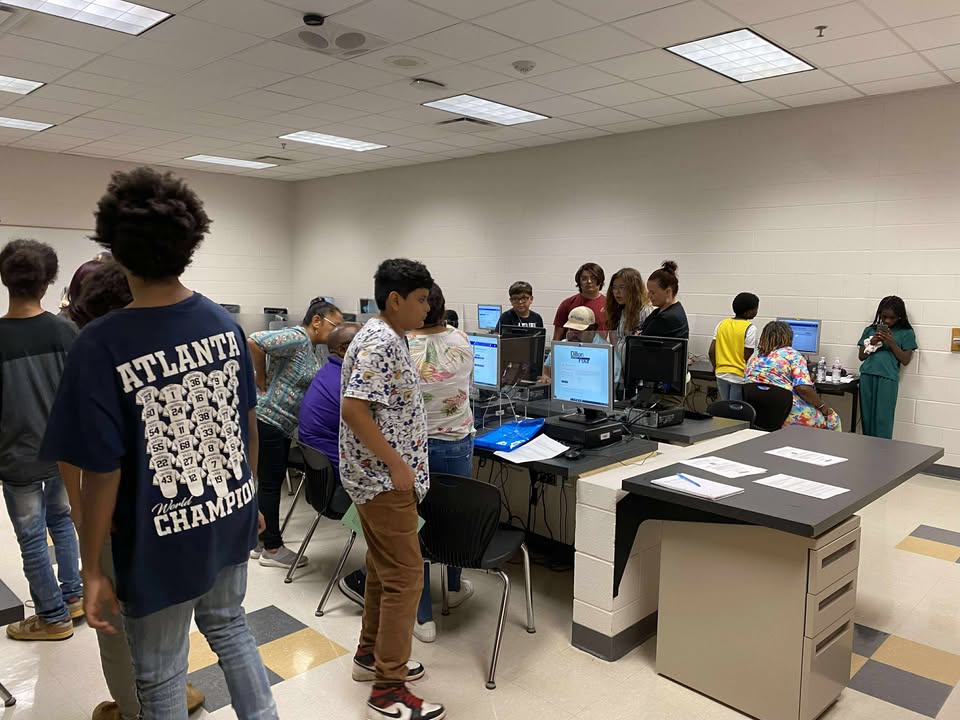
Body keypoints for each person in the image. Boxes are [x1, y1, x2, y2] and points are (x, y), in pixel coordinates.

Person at [40, 167, 278, 719]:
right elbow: (246, 424)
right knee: (232, 629)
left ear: (115, 251)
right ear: (190, 246)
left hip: (157, 539)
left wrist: (91, 569)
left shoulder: (101, 342)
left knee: (161, 672)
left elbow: (101, 471)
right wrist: (249, 497)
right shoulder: (223, 323)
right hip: (228, 511)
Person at [63, 261, 204, 720]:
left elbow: (73, 453)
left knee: (115, 621)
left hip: (121, 514)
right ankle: (166, 690)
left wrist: (81, 515)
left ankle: (132, 706)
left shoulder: (86, 352)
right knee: (165, 614)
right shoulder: (166, 342)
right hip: (173, 504)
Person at [339, 258, 444, 720]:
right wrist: (398, 464)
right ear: (395, 300)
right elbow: (354, 409)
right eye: (421, 299)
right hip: (383, 481)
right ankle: (388, 691)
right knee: (406, 578)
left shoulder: (390, 335)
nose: (428, 307)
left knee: (384, 573)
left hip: (378, 477)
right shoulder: (380, 342)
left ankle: (370, 656)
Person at [0, 239, 83, 642]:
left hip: (17, 458)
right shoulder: (66, 331)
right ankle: (73, 596)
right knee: (62, 521)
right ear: (48, 282)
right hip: (63, 455)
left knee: (32, 538)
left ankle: (52, 617)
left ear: (4, 280)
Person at [247, 299, 344, 568]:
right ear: (317, 321)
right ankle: (273, 548)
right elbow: (255, 341)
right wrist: (260, 376)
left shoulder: (311, 348)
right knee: (270, 484)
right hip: (270, 419)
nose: (337, 332)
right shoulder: (298, 337)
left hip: (280, 423)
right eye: (335, 325)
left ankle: (259, 541)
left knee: (267, 483)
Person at [408, 284, 476, 643]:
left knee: (416, 529)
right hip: (455, 444)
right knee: (454, 519)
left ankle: (422, 617)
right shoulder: (461, 340)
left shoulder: (401, 344)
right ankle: (453, 586)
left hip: (413, 449)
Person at [745, 321, 841, 431]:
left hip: (761, 414)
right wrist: (822, 407)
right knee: (833, 419)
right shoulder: (792, 355)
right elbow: (803, 389)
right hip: (788, 414)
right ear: (789, 337)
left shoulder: (754, 355)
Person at [858, 296, 917, 439]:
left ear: (900, 317)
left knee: (883, 419)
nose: (887, 321)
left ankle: (883, 451)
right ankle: (867, 449)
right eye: (884, 317)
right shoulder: (870, 330)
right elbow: (861, 356)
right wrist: (872, 342)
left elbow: (905, 360)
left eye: (892, 318)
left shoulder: (906, 333)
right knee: (867, 418)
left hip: (887, 378)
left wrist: (891, 342)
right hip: (867, 375)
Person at [604, 268, 654, 385]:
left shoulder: (645, 311)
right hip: (621, 370)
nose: (617, 292)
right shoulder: (620, 310)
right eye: (614, 288)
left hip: (637, 373)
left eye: (622, 287)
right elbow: (616, 343)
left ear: (633, 288)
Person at [709, 292, 760, 402]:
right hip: (739, 376)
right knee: (735, 408)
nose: (757, 311)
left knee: (725, 404)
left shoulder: (721, 324)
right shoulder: (750, 328)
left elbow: (711, 351)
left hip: (721, 374)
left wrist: (715, 367)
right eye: (756, 309)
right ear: (748, 312)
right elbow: (748, 356)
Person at [539, 306, 599, 382]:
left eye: (578, 331)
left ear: (592, 329)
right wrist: (546, 378)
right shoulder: (560, 347)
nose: (573, 334)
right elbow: (546, 370)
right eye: (571, 329)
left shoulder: (603, 350)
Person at [553, 262, 606, 341]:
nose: (589, 281)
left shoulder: (609, 305)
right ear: (579, 282)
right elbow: (557, 337)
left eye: (593, 278)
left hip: (598, 347)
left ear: (600, 280)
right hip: (570, 347)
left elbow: (614, 334)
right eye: (584, 278)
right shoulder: (567, 304)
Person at [640, 261, 689, 339]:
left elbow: (639, 340)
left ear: (668, 292)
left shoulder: (667, 318)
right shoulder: (660, 312)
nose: (649, 296)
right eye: (649, 292)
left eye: (653, 293)